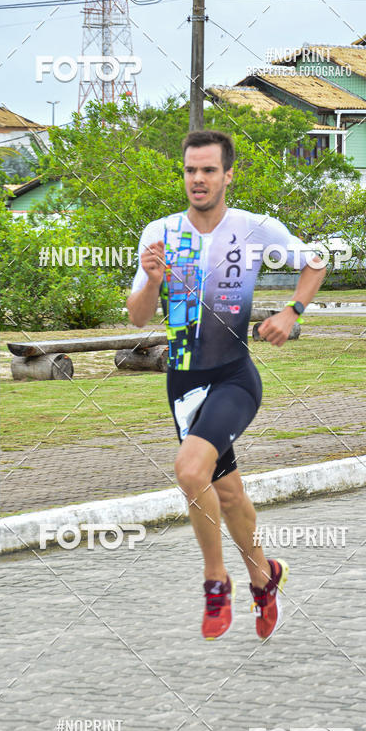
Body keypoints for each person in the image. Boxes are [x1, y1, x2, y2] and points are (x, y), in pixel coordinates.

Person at [127, 130, 326, 640]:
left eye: (209, 170)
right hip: (183, 384)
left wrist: (292, 311)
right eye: (190, 170)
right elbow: (137, 318)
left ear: (227, 175)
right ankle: (264, 575)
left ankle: (216, 581)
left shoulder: (254, 228)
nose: (198, 179)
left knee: (190, 470)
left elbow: (317, 261)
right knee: (228, 493)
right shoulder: (160, 233)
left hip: (235, 377)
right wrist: (153, 280)